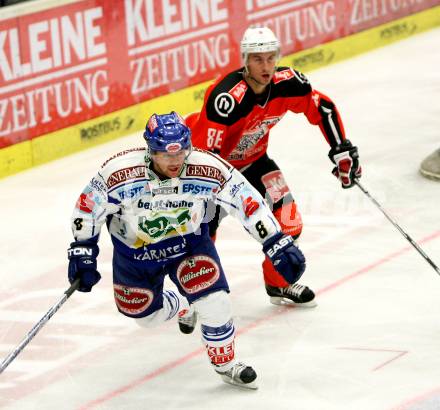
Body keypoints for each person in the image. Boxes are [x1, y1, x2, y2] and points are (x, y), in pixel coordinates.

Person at [67, 111, 308, 389]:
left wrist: (274, 241)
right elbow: (87, 208)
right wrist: (83, 249)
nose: (175, 160)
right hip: (136, 254)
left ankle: (226, 364)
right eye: (165, 154)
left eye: (181, 151)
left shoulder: (206, 166)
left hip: (188, 246)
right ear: (150, 150)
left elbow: (246, 200)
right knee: (143, 315)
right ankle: (182, 305)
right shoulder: (119, 172)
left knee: (216, 302)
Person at [187, 26, 362, 306]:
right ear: (245, 60)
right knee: (202, 232)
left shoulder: (288, 83)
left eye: (271, 58)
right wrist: (214, 195)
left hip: (255, 162)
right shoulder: (226, 99)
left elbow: (321, 107)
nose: (266, 66)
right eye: (257, 59)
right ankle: (195, 293)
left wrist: (341, 149)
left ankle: (279, 283)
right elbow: (206, 154)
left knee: (290, 221)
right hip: (212, 171)